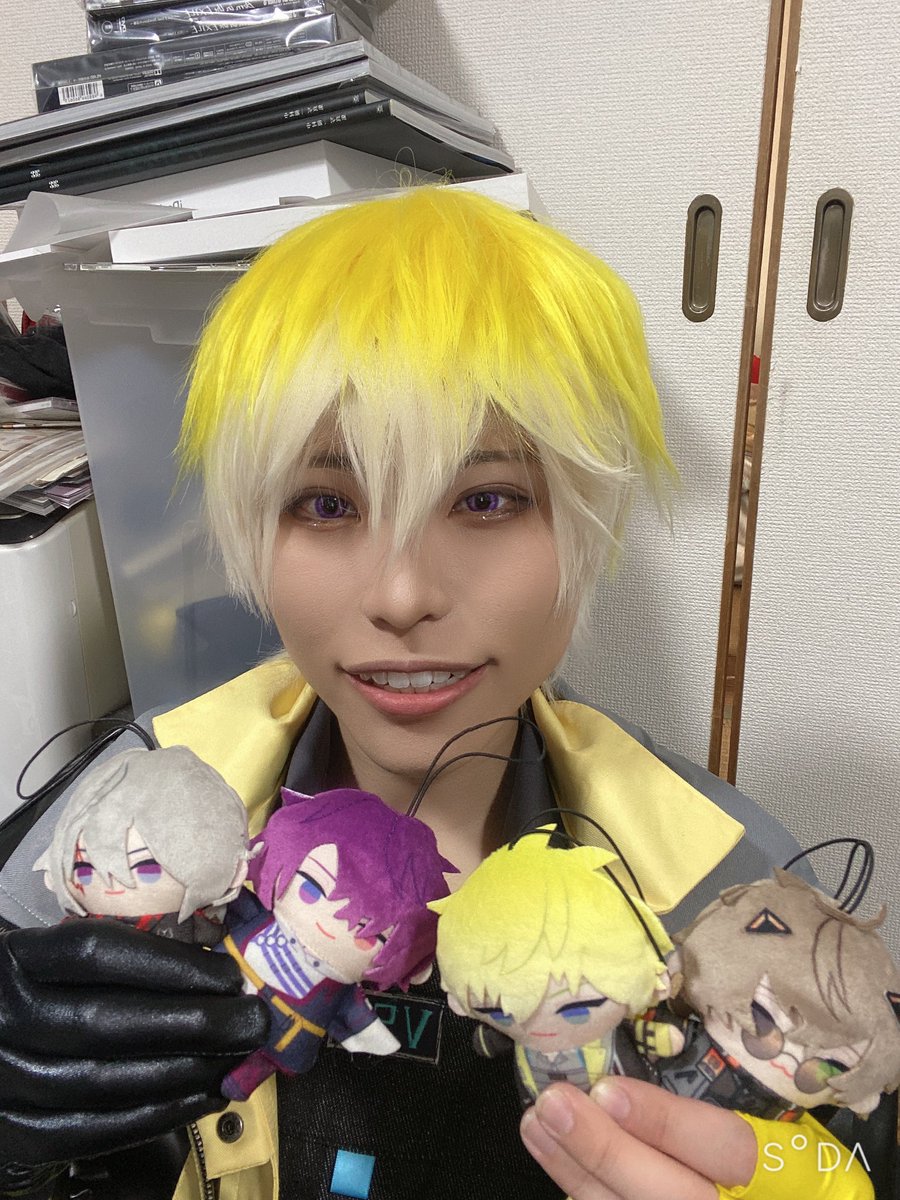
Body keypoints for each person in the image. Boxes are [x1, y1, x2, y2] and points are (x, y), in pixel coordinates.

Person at [0, 186, 879, 1199]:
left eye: (486, 498)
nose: (401, 595)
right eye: (326, 503)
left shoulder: (729, 880)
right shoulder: (118, 811)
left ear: (584, 525)